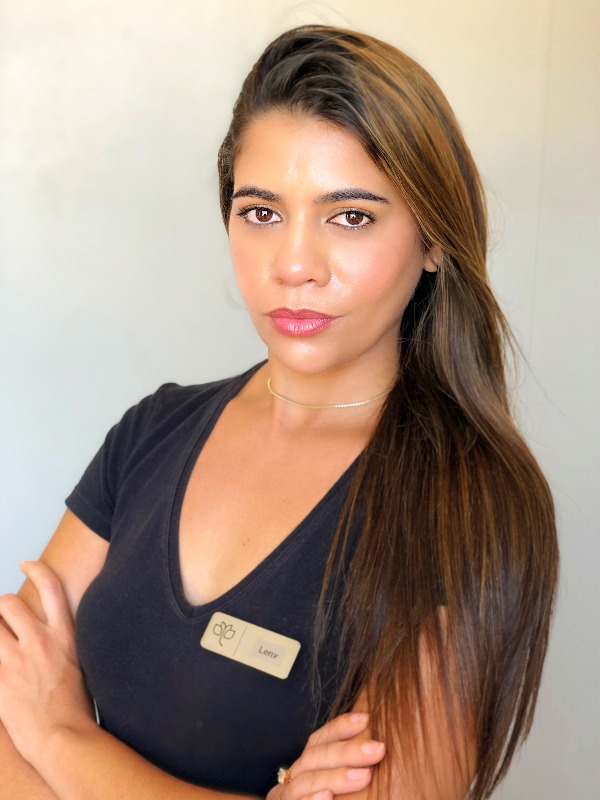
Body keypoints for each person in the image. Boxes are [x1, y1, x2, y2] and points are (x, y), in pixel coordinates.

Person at [0, 24, 558, 800]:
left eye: (351, 216)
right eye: (262, 212)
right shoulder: (152, 432)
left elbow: (29, 724)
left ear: (433, 240)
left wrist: (59, 735)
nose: (294, 265)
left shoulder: (469, 504)